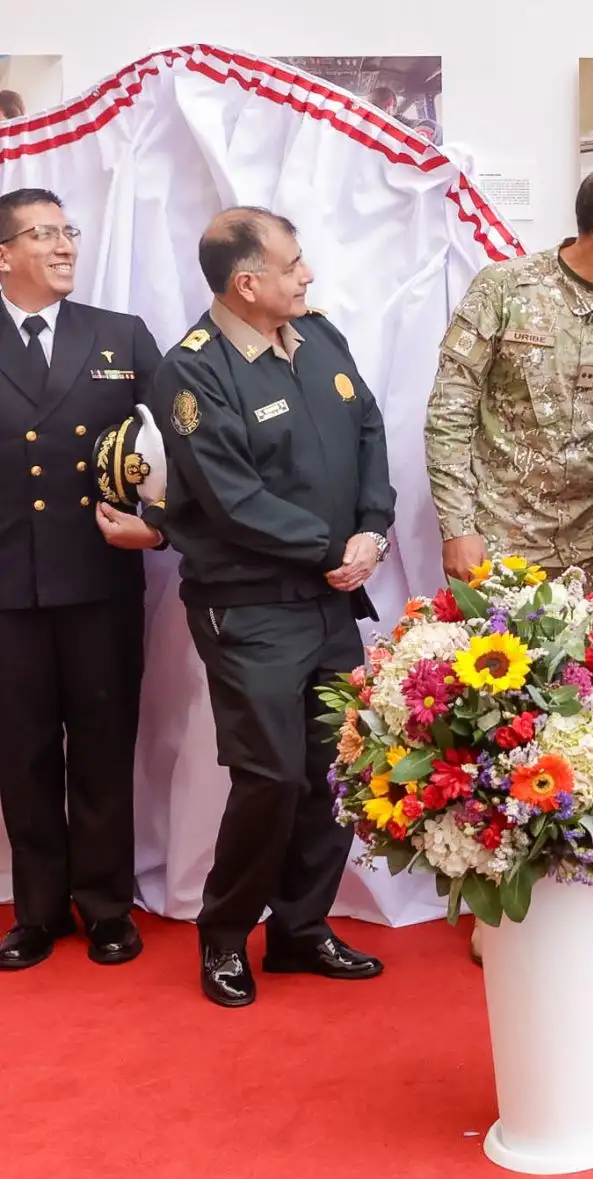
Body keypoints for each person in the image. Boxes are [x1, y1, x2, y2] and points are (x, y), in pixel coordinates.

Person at [145, 207, 395, 1007]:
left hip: (332, 600)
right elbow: (229, 499)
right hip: (250, 607)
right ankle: (224, 935)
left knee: (337, 770)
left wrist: (372, 527)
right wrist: (334, 550)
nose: (307, 275)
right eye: (293, 265)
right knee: (270, 775)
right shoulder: (193, 370)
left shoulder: (319, 337)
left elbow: (368, 434)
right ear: (246, 282)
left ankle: (301, 927)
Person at [426, 162, 593, 957]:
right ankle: (497, 893)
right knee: (499, 725)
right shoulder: (504, 288)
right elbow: (449, 411)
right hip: (506, 542)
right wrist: (457, 525)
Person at [0, 188, 163, 971]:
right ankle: (36, 911)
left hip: (100, 583)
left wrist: (162, 524)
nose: (65, 245)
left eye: (69, 231)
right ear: (3, 254)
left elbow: (180, 442)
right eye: (43, 234)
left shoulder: (119, 334)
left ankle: (104, 903)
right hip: (6, 590)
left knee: (102, 746)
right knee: (20, 751)